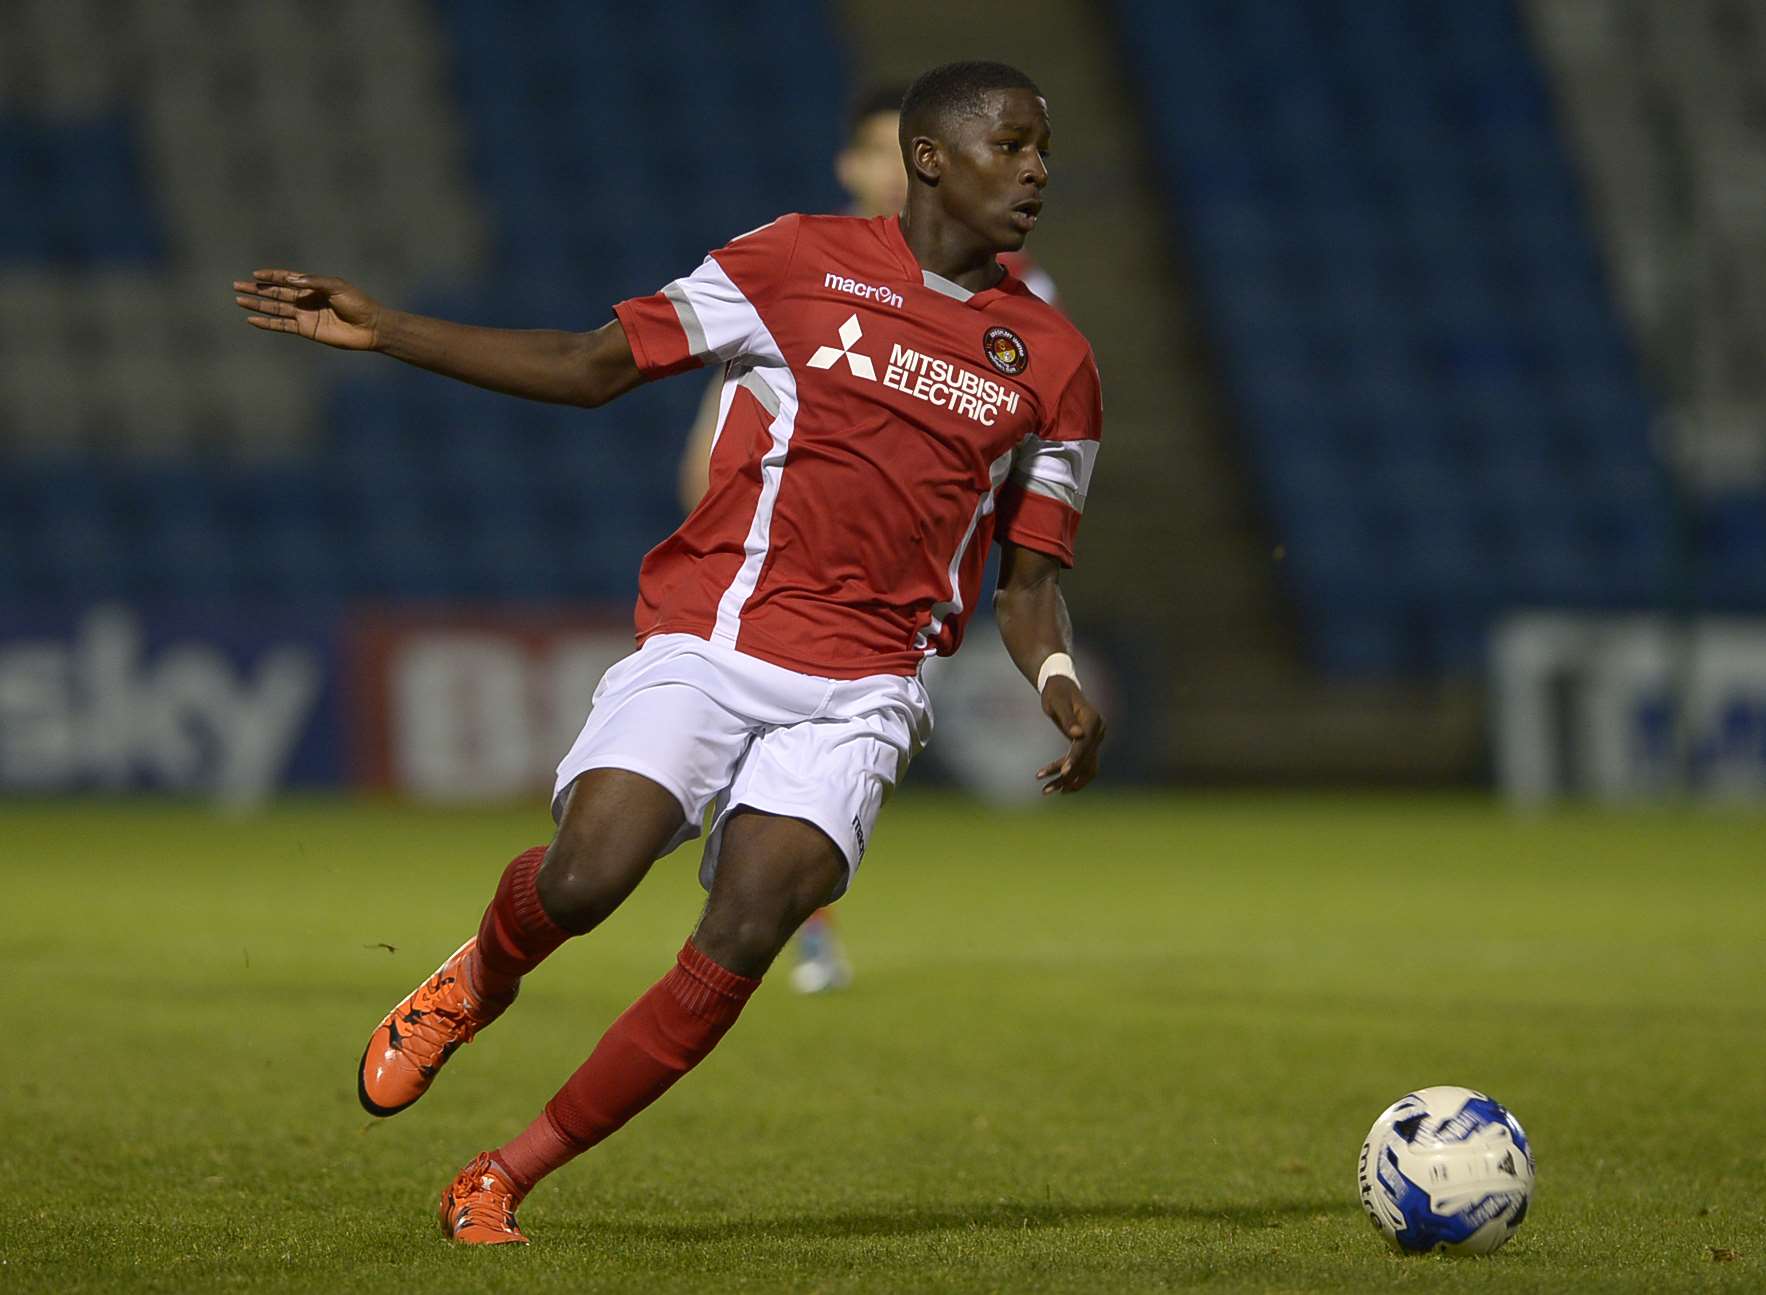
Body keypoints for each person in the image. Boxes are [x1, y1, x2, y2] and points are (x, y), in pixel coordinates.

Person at [232, 60, 1105, 1247]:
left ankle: (502, 1173)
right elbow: (591, 366)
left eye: (1043, 149)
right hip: (717, 633)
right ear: (931, 157)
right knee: (588, 874)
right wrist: (389, 329)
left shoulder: (1053, 359)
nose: (1038, 169)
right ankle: (474, 980)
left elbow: (1031, 582)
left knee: (750, 921)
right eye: (1013, 144)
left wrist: (1055, 677)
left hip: (865, 688)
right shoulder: (792, 259)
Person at [675, 84, 1063, 994]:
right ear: (852, 164)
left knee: (821, 768)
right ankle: (778, 924)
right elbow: (725, 406)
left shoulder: (1019, 289)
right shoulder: (803, 259)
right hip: (771, 565)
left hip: (903, 580)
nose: (891, 169)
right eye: (875, 152)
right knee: (722, 764)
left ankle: (781, 918)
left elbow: (1038, 420)